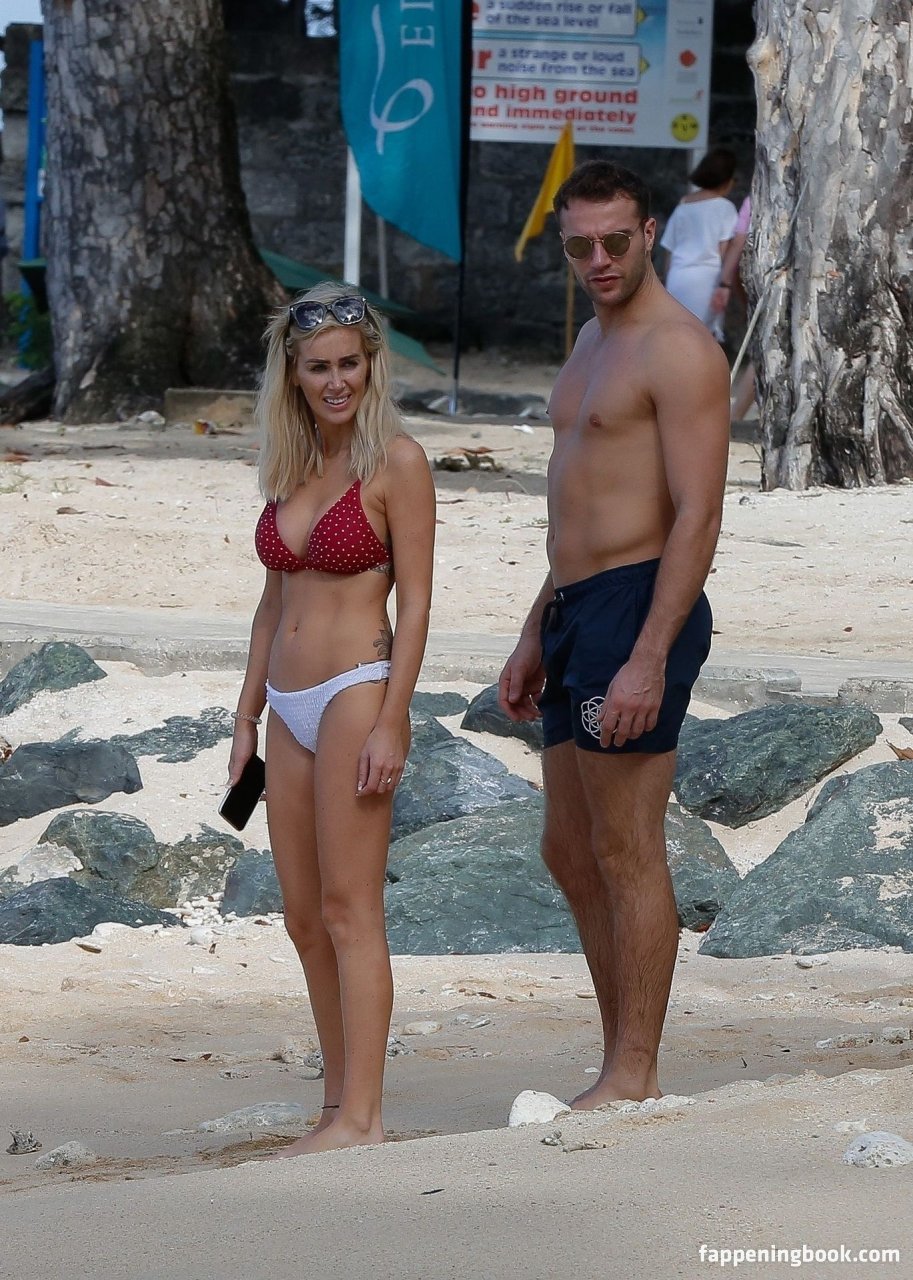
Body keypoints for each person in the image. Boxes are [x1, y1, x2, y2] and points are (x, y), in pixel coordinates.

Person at [499, 161, 730, 1106]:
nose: (597, 260)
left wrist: (646, 657)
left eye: (615, 242)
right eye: (579, 246)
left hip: (639, 607)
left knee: (626, 846)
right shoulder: (592, 340)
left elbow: (697, 516)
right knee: (568, 846)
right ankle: (616, 1052)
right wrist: (533, 629)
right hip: (575, 609)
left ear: (651, 235)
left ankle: (633, 1070)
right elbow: (577, 504)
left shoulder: (679, 351)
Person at [229, 282, 435, 1155]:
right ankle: (333, 1107)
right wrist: (246, 715)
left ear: (370, 364)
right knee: (303, 917)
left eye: (349, 363)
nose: (336, 380)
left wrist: (394, 719)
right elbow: (271, 604)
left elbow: (416, 604)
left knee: (351, 910)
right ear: (294, 374)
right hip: (285, 708)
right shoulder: (290, 464)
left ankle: (365, 1120)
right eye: (319, 367)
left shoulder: (397, 463)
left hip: (355, 691)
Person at [659, 147, 739, 340]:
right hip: (707, 281)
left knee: (676, 335)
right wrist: (728, 284)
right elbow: (725, 251)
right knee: (703, 338)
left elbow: (669, 250)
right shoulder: (725, 208)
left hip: (677, 278)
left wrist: (667, 280)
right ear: (727, 179)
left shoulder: (684, 204)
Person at [711, 194, 758, 421]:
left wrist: (725, 282)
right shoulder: (756, 198)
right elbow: (739, 242)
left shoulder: (754, 198)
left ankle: (735, 415)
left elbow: (739, 242)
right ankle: (735, 416)